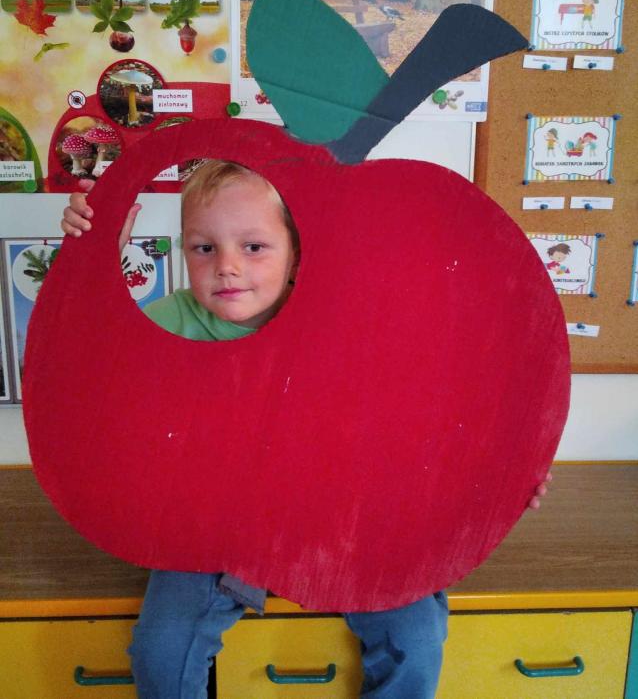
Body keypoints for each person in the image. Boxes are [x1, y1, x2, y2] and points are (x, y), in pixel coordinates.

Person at [61, 161, 550, 699]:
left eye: (253, 247)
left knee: (414, 636)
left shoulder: (346, 319)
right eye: (204, 248)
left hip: (342, 521)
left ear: (295, 252)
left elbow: (437, 410)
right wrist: (93, 257)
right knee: (161, 648)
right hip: (214, 531)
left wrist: (503, 474)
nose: (227, 267)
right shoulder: (166, 324)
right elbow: (84, 376)